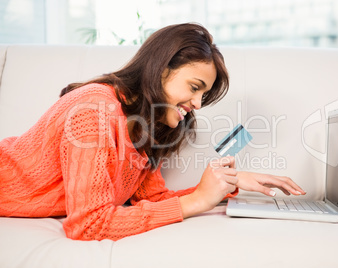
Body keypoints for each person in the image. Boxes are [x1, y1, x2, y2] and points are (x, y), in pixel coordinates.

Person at [0, 23, 305, 241]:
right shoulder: (93, 111)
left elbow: (155, 201)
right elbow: (89, 224)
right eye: (195, 88)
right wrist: (196, 201)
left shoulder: (144, 125)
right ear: (161, 70)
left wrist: (229, 185)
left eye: (204, 95)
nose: (198, 104)